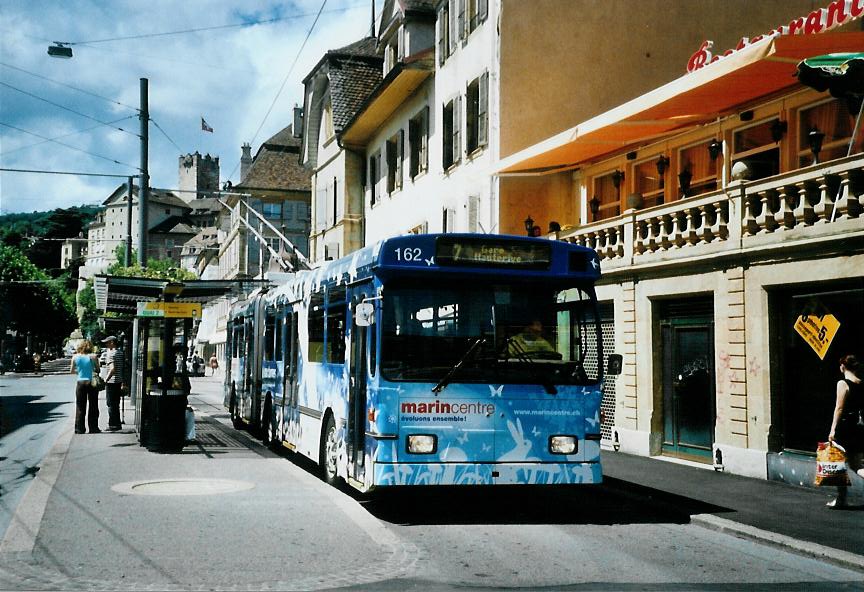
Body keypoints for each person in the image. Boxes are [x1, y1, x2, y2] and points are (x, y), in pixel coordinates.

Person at [827, 354, 864, 508]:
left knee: (838, 464)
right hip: (858, 427)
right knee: (857, 465)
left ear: (843, 366)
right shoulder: (861, 383)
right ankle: (840, 500)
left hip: (845, 427)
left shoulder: (843, 383)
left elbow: (839, 408)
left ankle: (841, 500)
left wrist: (833, 429)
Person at [70, 340, 100, 434]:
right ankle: (93, 428)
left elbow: (71, 371)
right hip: (91, 382)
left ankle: (79, 428)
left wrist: (80, 372)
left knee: (80, 405)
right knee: (93, 405)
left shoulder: (75, 357)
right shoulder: (93, 357)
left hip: (80, 382)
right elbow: (98, 370)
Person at [102, 336, 124, 431]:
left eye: (107, 343)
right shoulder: (120, 352)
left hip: (112, 382)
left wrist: (106, 379)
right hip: (118, 381)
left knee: (110, 404)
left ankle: (113, 425)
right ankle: (117, 423)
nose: (106, 345)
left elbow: (112, 369)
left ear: (112, 342)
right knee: (116, 404)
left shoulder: (111, 354)